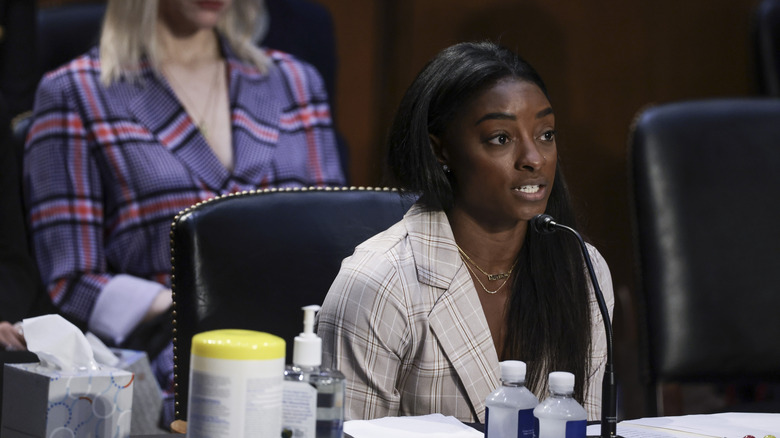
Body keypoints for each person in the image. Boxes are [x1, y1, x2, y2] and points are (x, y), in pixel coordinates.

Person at [23, 0, 345, 426]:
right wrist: (194, 307)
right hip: (175, 349)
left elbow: (336, 235)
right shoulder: (76, 91)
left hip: (300, 341)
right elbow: (73, 278)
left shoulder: (294, 82)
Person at [317, 41, 614, 423]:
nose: (534, 159)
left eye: (546, 134)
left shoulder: (582, 269)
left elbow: (583, 427)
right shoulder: (380, 283)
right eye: (501, 139)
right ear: (441, 152)